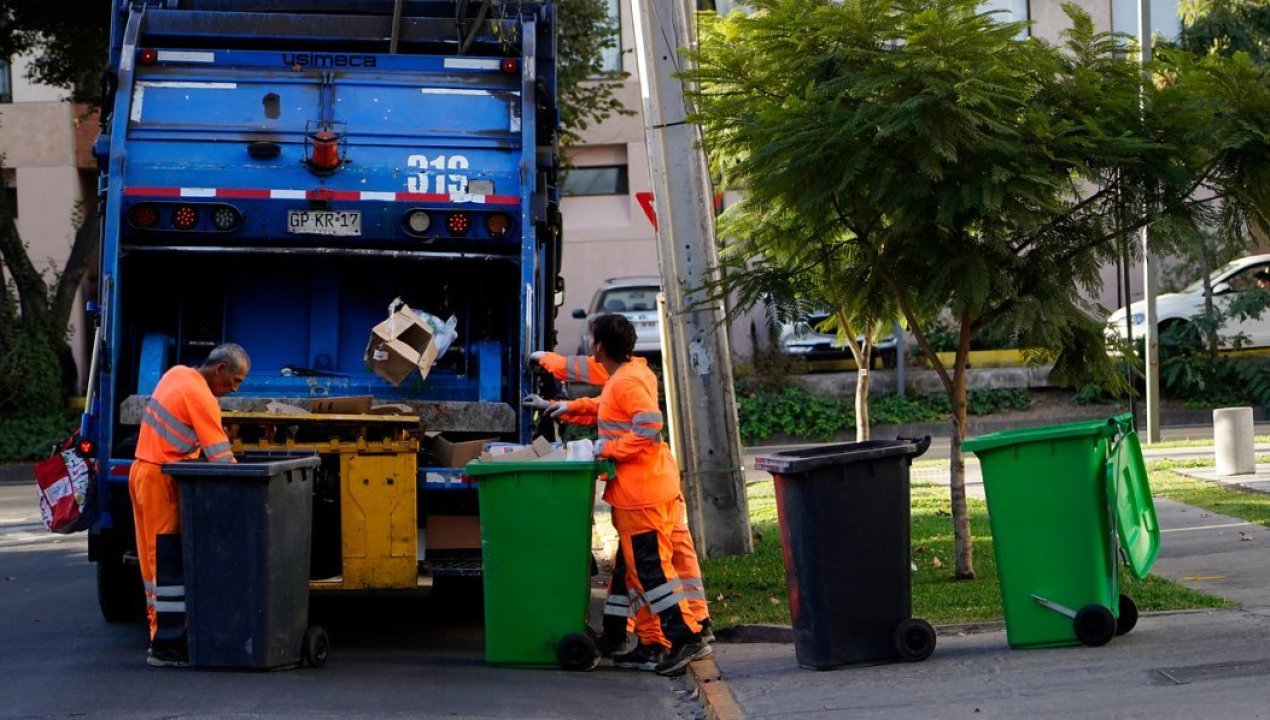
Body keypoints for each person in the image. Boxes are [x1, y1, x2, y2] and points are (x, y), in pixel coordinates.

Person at [527, 315, 710, 676]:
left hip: (640, 492)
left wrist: (607, 448)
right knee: (633, 571)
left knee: (652, 573)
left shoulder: (625, 382)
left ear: (598, 347)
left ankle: (683, 636)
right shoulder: (632, 373)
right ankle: (647, 640)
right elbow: (608, 408)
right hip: (651, 486)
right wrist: (564, 407)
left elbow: (648, 425)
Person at [129, 342, 250, 667]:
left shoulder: (176, 374)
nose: (233, 389)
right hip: (162, 480)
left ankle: (160, 635)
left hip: (142, 470)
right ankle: (167, 645)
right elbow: (222, 458)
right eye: (234, 381)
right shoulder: (202, 398)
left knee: (151, 562)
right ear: (220, 369)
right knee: (165, 562)